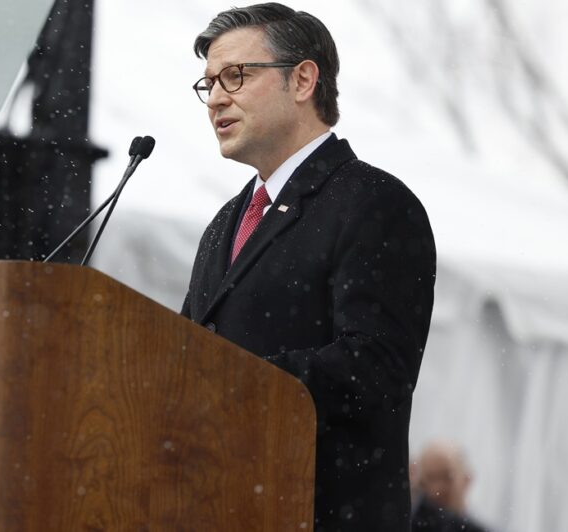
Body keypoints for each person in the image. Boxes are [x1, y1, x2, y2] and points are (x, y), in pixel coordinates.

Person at [181, 4, 436, 531]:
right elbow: (183, 357)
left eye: (236, 75)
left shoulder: (374, 202)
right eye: (209, 85)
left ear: (302, 79)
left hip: (318, 511)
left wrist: (232, 384)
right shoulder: (224, 225)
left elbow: (376, 368)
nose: (217, 99)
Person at [410, 441, 491, 532]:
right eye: (430, 478)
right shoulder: (406, 526)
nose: (437, 488)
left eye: (447, 477)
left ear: (467, 479)